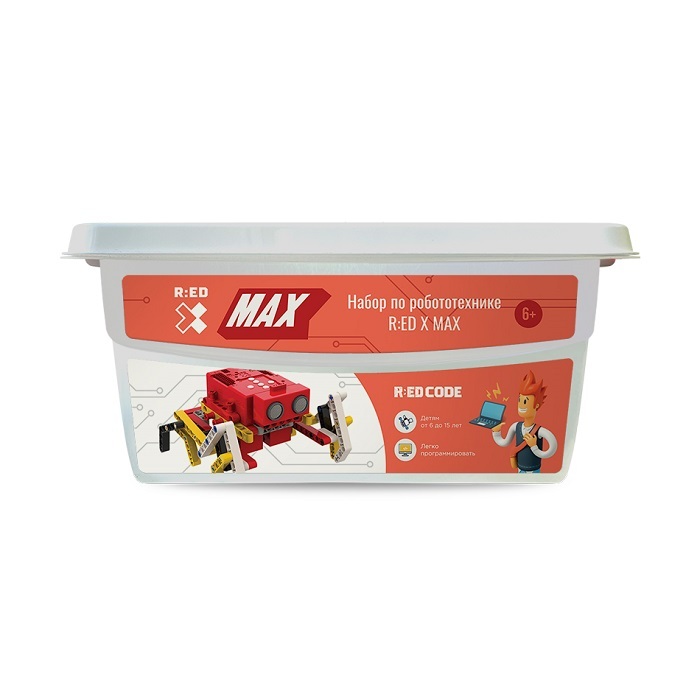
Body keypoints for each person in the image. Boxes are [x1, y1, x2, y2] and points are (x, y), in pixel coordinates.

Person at [492, 370, 557, 473]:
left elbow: (550, 451)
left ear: (536, 405)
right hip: (519, 470)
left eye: (525, 401)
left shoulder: (540, 431)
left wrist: (534, 446)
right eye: (520, 400)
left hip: (534, 472)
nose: (521, 405)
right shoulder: (515, 426)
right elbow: (504, 442)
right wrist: (496, 432)